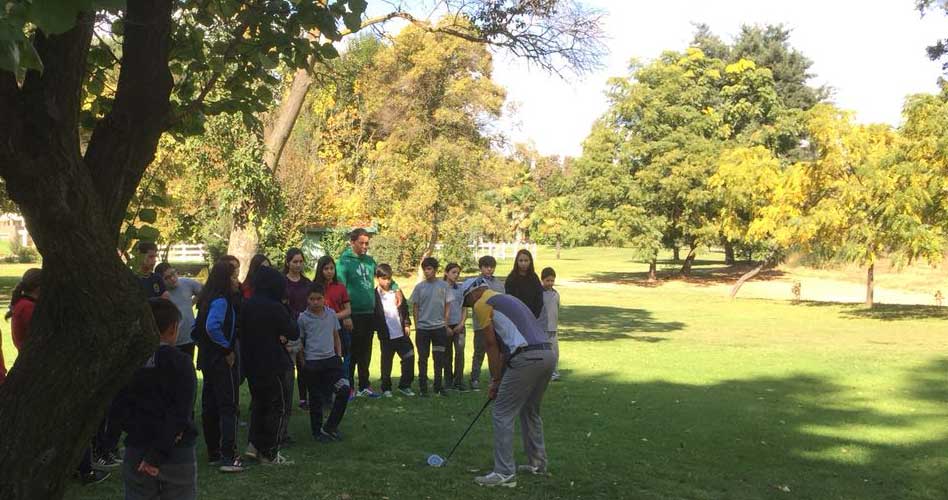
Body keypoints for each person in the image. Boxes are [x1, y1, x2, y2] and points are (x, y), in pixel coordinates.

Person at [8, 268, 109, 485]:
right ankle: (83, 469)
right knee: (73, 419)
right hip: (43, 371)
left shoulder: (23, 305)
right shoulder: (29, 308)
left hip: (39, 370)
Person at [463, 277, 556, 488]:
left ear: (473, 293)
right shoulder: (508, 299)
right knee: (530, 411)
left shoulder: (482, 303)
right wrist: (499, 379)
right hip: (547, 355)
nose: (469, 308)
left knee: (502, 413)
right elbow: (507, 347)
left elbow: (491, 345)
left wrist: (495, 380)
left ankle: (504, 472)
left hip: (526, 358)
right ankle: (537, 464)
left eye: (467, 302)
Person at [122, 297, 198, 500]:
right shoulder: (181, 363)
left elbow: (118, 408)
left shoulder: (128, 362)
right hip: (176, 451)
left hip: (138, 445)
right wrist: (157, 454)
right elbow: (181, 412)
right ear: (173, 328)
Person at [240, 266, 299, 465]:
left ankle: (254, 445)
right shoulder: (275, 307)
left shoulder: (247, 304)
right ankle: (270, 452)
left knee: (259, 404)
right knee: (277, 406)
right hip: (273, 362)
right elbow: (293, 332)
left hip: (251, 361)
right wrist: (286, 310)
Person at [194, 260, 244, 473]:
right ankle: (228, 456)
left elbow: (196, 329)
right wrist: (226, 349)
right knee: (228, 406)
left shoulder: (207, 298)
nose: (237, 281)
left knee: (211, 405)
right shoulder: (222, 301)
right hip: (220, 360)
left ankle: (213, 451)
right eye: (233, 277)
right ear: (225, 280)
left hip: (207, 358)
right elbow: (212, 326)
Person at [298, 283, 349, 441]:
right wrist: (303, 362)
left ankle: (330, 426)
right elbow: (300, 342)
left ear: (324, 298)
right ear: (307, 299)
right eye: (312, 299)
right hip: (312, 363)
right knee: (316, 399)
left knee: (344, 389)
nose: (315, 302)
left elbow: (336, 336)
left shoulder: (331, 314)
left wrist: (338, 355)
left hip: (331, 361)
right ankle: (317, 432)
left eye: (318, 299)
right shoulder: (303, 318)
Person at [336, 228, 384, 398]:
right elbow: (340, 290)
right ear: (352, 242)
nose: (365, 246)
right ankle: (349, 386)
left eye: (367, 243)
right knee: (351, 352)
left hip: (368, 314)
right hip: (352, 315)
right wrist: (346, 316)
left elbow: (384, 276)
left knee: (366, 351)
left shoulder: (370, 261)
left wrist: (394, 287)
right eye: (361, 243)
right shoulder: (343, 262)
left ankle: (365, 385)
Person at [410, 257, 453, 397]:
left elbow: (448, 305)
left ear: (435, 270)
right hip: (423, 329)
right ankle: (423, 388)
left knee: (439, 358)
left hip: (439, 328)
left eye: (429, 269)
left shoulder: (444, 286)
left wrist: (445, 323)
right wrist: (417, 325)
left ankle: (438, 386)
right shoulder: (419, 287)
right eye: (425, 269)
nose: (427, 272)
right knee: (423, 359)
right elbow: (415, 307)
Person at [374, 264, 414, 397]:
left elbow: (404, 308)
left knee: (409, 356)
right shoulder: (374, 295)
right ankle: (386, 388)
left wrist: (407, 324)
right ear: (378, 278)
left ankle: (405, 385)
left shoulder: (397, 292)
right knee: (386, 362)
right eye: (384, 278)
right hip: (386, 335)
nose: (387, 281)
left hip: (401, 332)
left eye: (389, 278)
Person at [282, 248, 310, 440]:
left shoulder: (307, 283)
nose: (298, 265)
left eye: (300, 261)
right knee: (289, 367)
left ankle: (304, 397)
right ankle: (287, 402)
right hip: (289, 327)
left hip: (306, 325)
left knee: (305, 364)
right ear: (288, 263)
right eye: (295, 262)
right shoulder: (282, 282)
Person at [313, 255, 352, 390]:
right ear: (320, 270)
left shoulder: (340, 287)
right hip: (320, 329)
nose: (329, 271)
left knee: (344, 356)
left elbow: (348, 310)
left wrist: (333, 317)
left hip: (339, 327)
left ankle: (344, 386)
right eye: (326, 269)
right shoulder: (315, 287)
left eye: (332, 268)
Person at [469, 255, 504, 391]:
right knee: (479, 351)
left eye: (492, 267)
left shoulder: (499, 283)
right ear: (480, 268)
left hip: (497, 323)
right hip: (481, 323)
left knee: (496, 352)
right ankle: (474, 378)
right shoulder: (476, 283)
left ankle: (494, 378)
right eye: (486, 267)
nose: (489, 269)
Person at [155, 263, 203, 360]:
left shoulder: (186, 282)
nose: (173, 279)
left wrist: (192, 302)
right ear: (160, 280)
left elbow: (204, 292)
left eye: (173, 274)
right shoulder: (160, 293)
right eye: (167, 278)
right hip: (170, 342)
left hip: (189, 338)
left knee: (187, 365)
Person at [443, 262, 467, 391]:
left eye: (458, 273)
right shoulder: (441, 288)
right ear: (446, 273)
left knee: (460, 353)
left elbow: (464, 307)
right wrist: (445, 326)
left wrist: (462, 323)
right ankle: (448, 381)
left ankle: (459, 381)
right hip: (445, 326)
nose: (456, 275)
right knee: (447, 355)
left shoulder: (461, 289)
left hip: (459, 325)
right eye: (453, 272)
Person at [505, 249, 544, 319]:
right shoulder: (511, 278)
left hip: (531, 315)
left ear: (530, 261)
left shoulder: (534, 278)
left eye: (526, 261)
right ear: (517, 262)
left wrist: (534, 315)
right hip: (515, 314)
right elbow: (509, 298)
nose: (523, 263)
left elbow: (539, 297)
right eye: (521, 260)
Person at [540, 267, 561, 381]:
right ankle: (542, 373)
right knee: (542, 352)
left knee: (554, 352)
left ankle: (554, 373)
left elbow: (556, 309)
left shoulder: (556, 294)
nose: (550, 283)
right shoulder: (539, 293)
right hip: (541, 328)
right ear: (542, 280)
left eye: (552, 280)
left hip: (553, 329)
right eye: (547, 280)